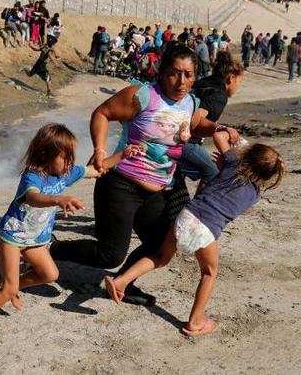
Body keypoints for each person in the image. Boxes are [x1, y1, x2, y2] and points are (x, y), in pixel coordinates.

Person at [51, 44, 240, 307]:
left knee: (160, 245)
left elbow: (196, 125)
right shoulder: (143, 95)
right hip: (120, 184)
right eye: (175, 73)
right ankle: (51, 250)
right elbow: (102, 113)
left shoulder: (190, 102)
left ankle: (124, 284)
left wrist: (219, 127)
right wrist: (100, 150)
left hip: (158, 189)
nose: (181, 81)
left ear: (195, 76)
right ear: (162, 72)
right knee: (109, 254)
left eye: (188, 75)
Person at [0, 123, 140, 348]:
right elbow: (33, 198)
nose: (69, 163)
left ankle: (15, 286)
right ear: (45, 154)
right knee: (8, 288)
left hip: (36, 239)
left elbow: (96, 170)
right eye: (64, 157)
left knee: (50, 274)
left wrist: (122, 155)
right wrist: (59, 199)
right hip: (13, 236)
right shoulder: (33, 177)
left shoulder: (64, 173)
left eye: (71, 157)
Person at [104, 136, 284, 337]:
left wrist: (237, 144)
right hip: (206, 228)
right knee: (209, 273)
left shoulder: (232, 163)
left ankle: (121, 281)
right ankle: (195, 321)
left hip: (186, 214)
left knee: (161, 257)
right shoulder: (255, 194)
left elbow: (220, 137)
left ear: (248, 155)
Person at [180, 51, 244, 184]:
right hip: (184, 142)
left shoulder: (203, 82)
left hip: (171, 133)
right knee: (213, 173)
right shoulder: (219, 95)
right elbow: (195, 121)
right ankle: (201, 204)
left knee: (177, 181)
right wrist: (222, 128)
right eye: (239, 82)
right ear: (231, 78)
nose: (238, 87)